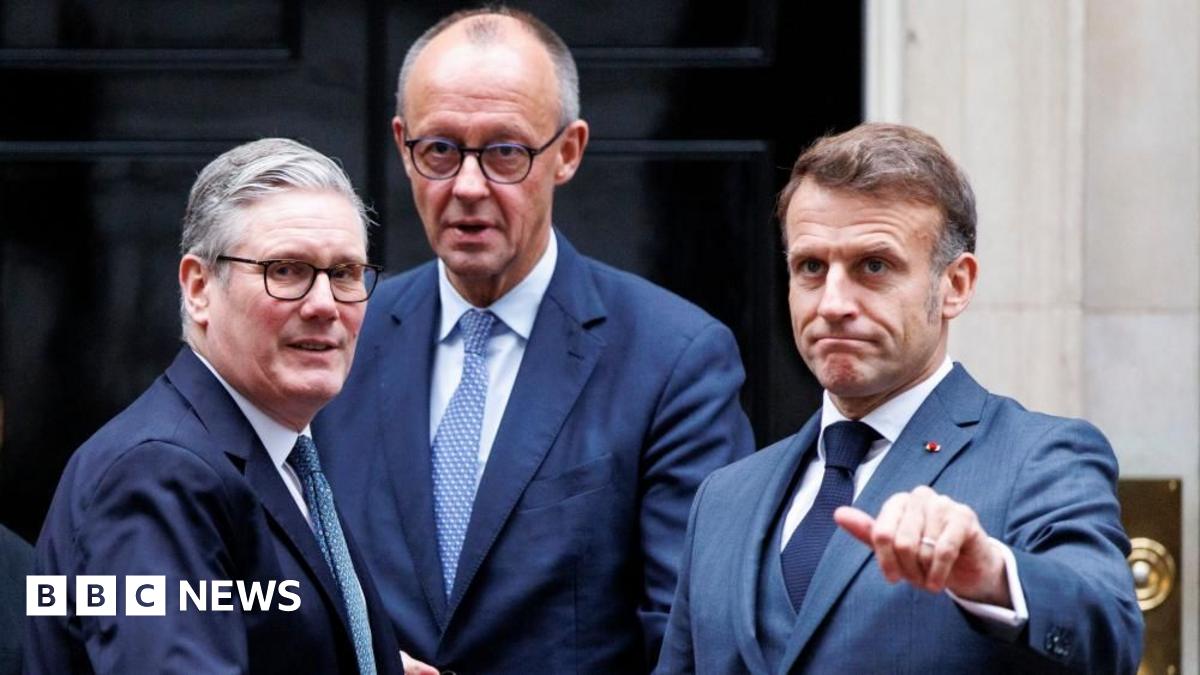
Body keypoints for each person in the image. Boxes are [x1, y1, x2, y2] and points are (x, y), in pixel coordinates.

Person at [313, 7, 755, 674]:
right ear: (403, 146)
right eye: (440, 150)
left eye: (504, 152)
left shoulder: (675, 360)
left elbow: (693, 641)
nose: (466, 186)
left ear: (568, 151)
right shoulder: (342, 333)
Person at [656, 123, 1144, 674]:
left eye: (874, 266)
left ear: (954, 285)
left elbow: (1110, 629)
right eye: (812, 267)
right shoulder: (724, 498)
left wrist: (992, 575)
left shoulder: (1040, 458)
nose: (834, 303)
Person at [26, 138, 402, 674]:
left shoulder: (281, 455)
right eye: (287, 270)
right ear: (199, 287)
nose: (324, 305)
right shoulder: (158, 473)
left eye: (344, 273)